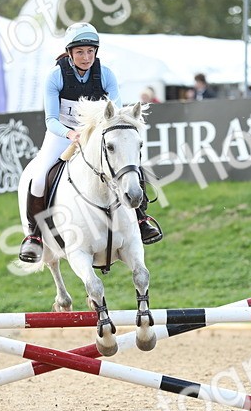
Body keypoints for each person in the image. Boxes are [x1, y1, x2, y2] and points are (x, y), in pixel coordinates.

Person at [17, 22, 163, 262]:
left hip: (95, 134)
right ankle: (34, 237)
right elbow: (51, 119)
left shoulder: (105, 74)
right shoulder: (55, 76)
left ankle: (141, 219)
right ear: (70, 53)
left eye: (90, 51)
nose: (86, 57)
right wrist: (70, 134)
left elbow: (115, 112)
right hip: (62, 133)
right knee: (40, 176)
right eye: (80, 52)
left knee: (129, 168)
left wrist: (96, 132)